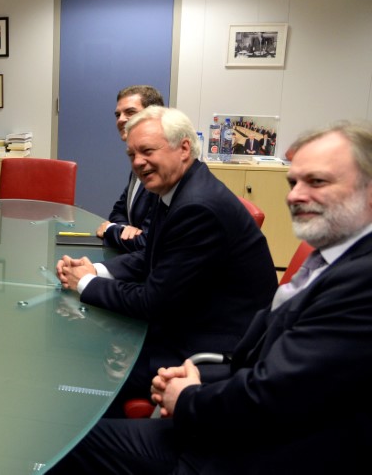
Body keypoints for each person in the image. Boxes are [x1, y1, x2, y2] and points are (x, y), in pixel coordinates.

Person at [50, 121, 372, 474]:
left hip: (250, 450)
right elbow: (276, 370)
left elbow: (272, 396)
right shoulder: (335, 256)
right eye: (293, 182)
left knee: (66, 437)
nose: (294, 195)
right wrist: (200, 381)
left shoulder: (360, 281)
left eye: (317, 181)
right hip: (233, 393)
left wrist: (188, 396)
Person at [56, 106, 278, 417]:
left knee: (86, 366)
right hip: (190, 319)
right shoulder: (177, 188)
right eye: (131, 154)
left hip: (208, 346)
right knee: (85, 345)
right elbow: (152, 257)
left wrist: (85, 284)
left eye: (146, 151)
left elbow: (152, 302)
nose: (137, 163)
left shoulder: (197, 206)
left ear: (184, 148)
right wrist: (97, 270)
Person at [96, 85, 164, 253]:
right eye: (118, 114)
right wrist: (125, 228)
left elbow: (147, 241)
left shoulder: (161, 166)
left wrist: (111, 230)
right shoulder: (138, 159)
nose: (120, 119)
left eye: (130, 112)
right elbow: (119, 211)